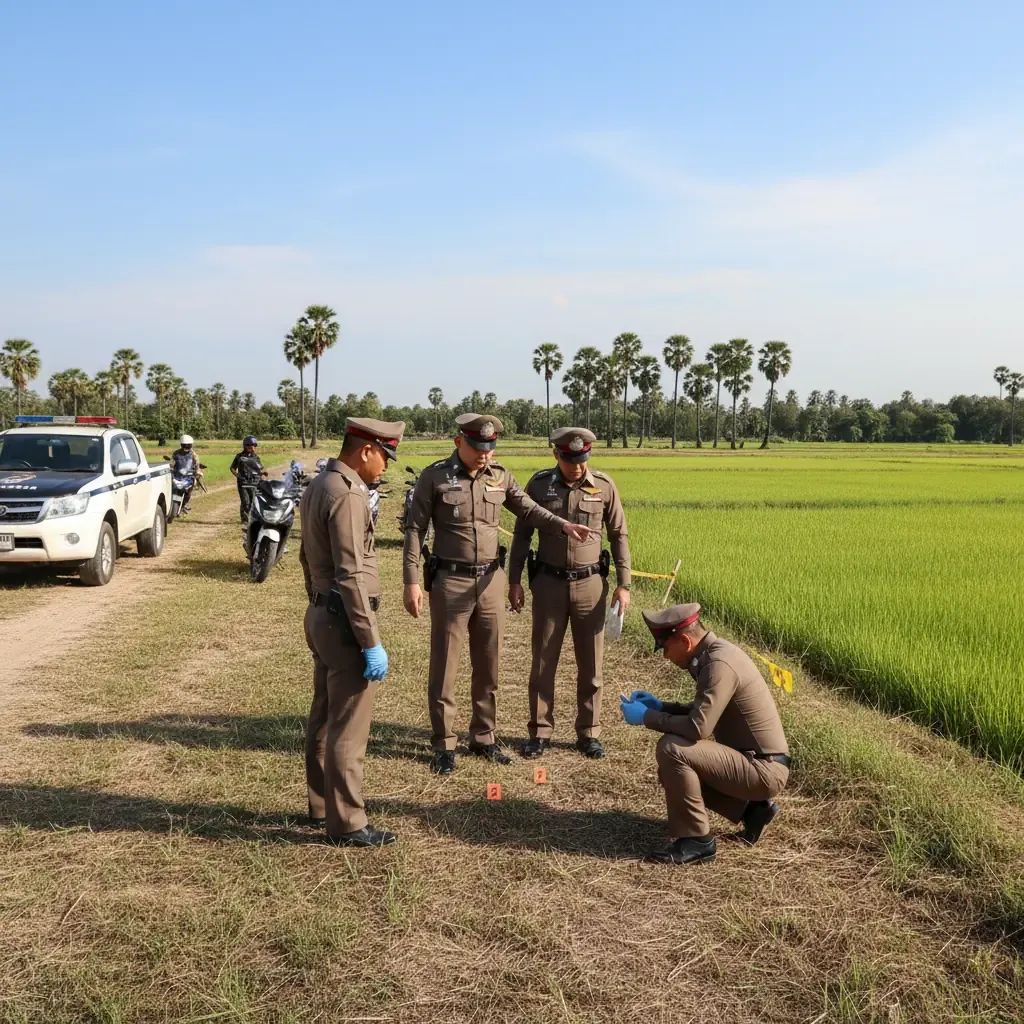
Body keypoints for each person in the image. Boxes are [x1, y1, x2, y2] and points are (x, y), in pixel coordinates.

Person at [402, 413, 599, 775]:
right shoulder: (435, 477)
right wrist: (411, 580)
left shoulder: (501, 476)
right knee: (445, 665)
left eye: (490, 448)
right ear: (459, 442)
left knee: (488, 664)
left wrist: (564, 525)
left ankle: (483, 736)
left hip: (491, 581)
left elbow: (529, 509)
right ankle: (444, 743)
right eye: (478, 447)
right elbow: (415, 528)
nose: (485, 454)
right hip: (451, 580)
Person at [300, 416, 406, 847]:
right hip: (344, 620)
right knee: (348, 725)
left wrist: (317, 601)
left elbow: (307, 557)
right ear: (366, 450)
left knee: (325, 716)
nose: (385, 466)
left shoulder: (319, 485)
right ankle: (346, 822)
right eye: (384, 457)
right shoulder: (347, 494)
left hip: (323, 613)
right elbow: (351, 574)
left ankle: (321, 806)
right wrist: (370, 640)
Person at [619, 603, 790, 865]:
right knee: (671, 772)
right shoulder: (713, 655)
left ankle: (697, 840)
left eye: (664, 647)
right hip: (755, 761)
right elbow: (704, 710)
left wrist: (647, 717)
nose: (665, 656)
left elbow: (698, 727)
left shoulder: (719, 664)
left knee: (672, 749)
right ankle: (752, 811)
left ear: (685, 641)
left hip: (764, 770)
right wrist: (662, 707)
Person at [507, 427, 632, 760]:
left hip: (590, 586)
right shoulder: (539, 485)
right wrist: (514, 580)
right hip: (549, 584)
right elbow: (522, 536)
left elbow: (619, 535)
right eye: (569, 460)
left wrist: (624, 584)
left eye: (582, 459)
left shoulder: (603, 486)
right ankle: (540, 731)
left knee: (591, 665)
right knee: (543, 662)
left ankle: (588, 732)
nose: (577, 467)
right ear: (556, 455)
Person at [230, 435, 265, 522]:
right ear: (245, 446)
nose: (252, 447)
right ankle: (245, 519)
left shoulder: (256, 458)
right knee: (245, 501)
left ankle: (252, 517)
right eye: (250, 445)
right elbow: (232, 468)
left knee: (253, 501)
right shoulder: (239, 457)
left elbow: (259, 469)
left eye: (254, 445)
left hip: (253, 482)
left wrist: (261, 476)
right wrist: (237, 475)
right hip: (242, 483)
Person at [169, 434, 203, 513]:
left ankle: (184, 504)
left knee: (189, 492)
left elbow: (197, 465)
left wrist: (198, 472)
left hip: (188, 477)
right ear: (181, 444)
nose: (186, 446)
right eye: (185, 445)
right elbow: (171, 464)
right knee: (172, 489)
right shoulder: (176, 453)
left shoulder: (193, 454)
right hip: (177, 476)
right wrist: (170, 470)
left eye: (188, 445)